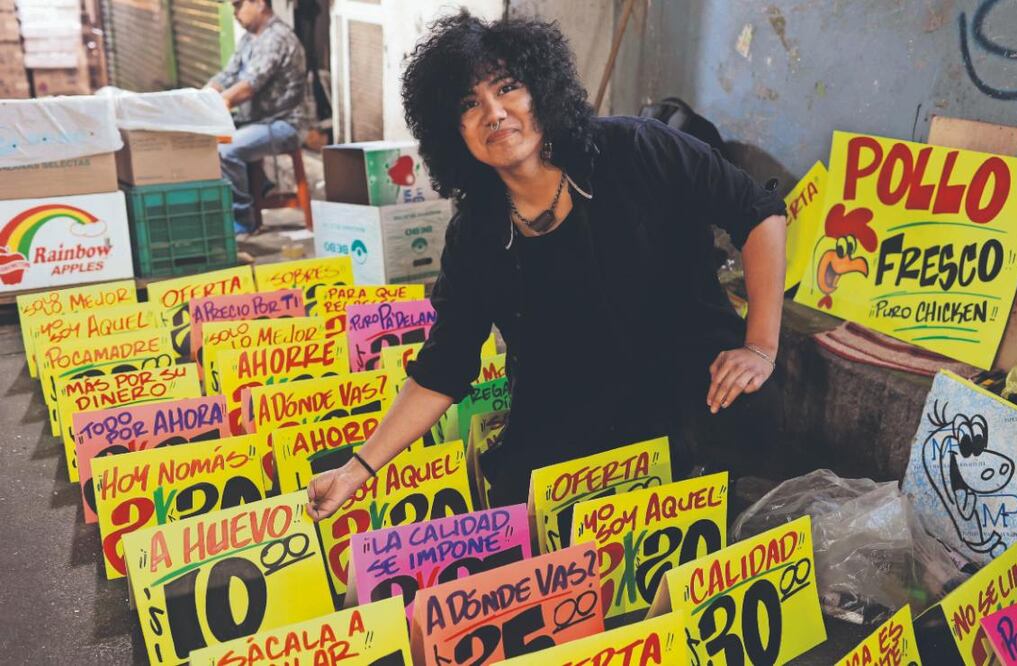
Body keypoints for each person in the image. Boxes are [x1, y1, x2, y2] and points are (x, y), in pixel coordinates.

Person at [306, 11, 787, 519]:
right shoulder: (475, 235)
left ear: (542, 89)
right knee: (522, 495)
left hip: (691, 385)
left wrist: (760, 345)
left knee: (746, 416)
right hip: (575, 412)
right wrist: (356, 468)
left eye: (507, 88)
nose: (494, 113)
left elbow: (758, 212)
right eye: (469, 105)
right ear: (453, 131)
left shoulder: (638, 149)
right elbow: (444, 369)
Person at [207, 0, 309, 234]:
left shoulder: (277, 37)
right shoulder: (248, 39)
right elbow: (228, 75)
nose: (235, 13)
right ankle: (260, 186)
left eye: (238, 6)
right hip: (256, 122)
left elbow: (250, 85)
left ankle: (243, 219)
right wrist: (203, 96)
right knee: (208, 141)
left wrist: (223, 100)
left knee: (225, 150)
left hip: (284, 124)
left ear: (260, 3)